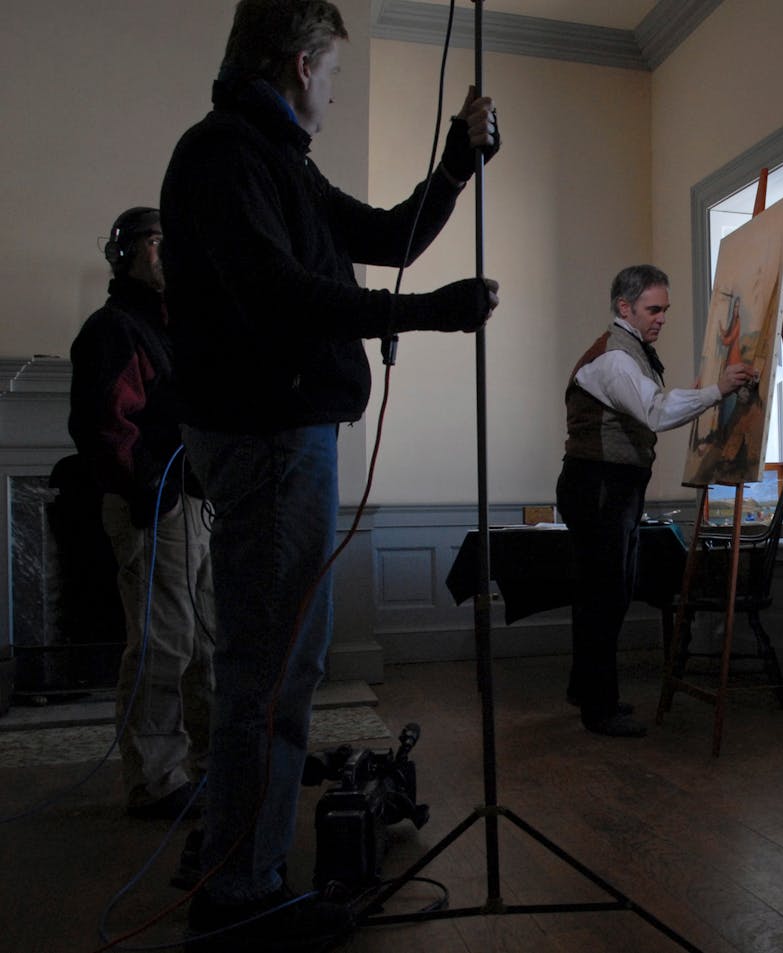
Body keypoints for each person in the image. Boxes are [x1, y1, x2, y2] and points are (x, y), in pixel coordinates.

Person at [158, 1, 501, 947]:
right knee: (268, 674)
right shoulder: (228, 154)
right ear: (304, 64)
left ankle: (240, 865)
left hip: (283, 438)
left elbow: (389, 236)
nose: (338, 91)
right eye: (337, 74)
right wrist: (425, 315)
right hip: (269, 441)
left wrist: (457, 165)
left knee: (279, 666)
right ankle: (240, 896)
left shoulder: (275, 163)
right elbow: (276, 291)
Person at [557, 265, 757, 738]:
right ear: (625, 308)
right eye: (654, 309)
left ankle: (586, 691)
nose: (661, 318)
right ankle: (598, 708)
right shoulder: (615, 359)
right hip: (600, 485)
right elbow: (656, 410)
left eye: (664, 309)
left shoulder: (633, 354)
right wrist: (717, 390)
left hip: (611, 486)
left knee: (604, 594)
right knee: (604, 596)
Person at [68, 206, 215, 821]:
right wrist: (153, 490)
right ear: (125, 253)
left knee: (207, 642)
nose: (165, 251)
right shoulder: (114, 329)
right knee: (163, 643)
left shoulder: (177, 326)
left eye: (170, 241)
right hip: (155, 506)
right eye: (155, 241)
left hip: (196, 504)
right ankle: (154, 781)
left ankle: (211, 766)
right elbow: (104, 426)